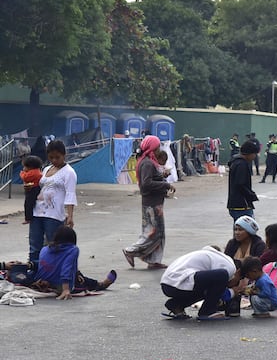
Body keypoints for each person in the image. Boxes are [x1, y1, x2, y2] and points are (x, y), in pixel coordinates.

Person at [123, 136, 175, 270]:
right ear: (152, 148)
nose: (159, 150)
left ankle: (154, 260)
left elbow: (151, 179)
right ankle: (131, 251)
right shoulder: (147, 163)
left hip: (154, 202)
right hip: (152, 204)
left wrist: (162, 178)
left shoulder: (148, 162)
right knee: (153, 233)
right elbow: (146, 184)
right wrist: (165, 185)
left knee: (158, 233)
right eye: (157, 147)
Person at [25, 226, 116, 300]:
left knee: (80, 276)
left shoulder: (45, 249)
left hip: (41, 281)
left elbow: (45, 264)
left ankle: (100, 283)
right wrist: (66, 289)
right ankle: (101, 285)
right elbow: (66, 268)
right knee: (84, 283)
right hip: (59, 285)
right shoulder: (73, 250)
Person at [160, 245, 247, 320]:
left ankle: (176, 305)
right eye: (238, 281)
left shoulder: (216, 257)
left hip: (168, 284)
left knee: (209, 288)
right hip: (179, 281)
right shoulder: (231, 267)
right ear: (238, 272)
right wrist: (233, 292)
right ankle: (208, 312)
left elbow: (214, 290)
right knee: (223, 274)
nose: (233, 284)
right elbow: (220, 289)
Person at [29, 140, 78, 266]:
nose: (54, 160)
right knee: (35, 244)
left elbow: (70, 194)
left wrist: (70, 216)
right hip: (37, 212)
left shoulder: (69, 172)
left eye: (57, 157)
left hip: (54, 215)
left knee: (53, 244)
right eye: (51, 157)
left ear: (64, 155)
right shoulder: (45, 169)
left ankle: (52, 270)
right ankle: (34, 269)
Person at [226, 140, 259, 221]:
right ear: (249, 153)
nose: (255, 156)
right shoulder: (241, 164)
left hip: (235, 204)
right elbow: (240, 184)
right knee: (246, 230)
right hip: (241, 205)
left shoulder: (236, 162)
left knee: (239, 230)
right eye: (254, 154)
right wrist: (251, 195)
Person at [21, 155, 43, 225]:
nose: (24, 168)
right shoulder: (37, 171)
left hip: (33, 189)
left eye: (25, 167)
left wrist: (22, 173)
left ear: (30, 167)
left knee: (28, 204)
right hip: (34, 188)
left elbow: (25, 178)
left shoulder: (33, 172)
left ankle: (28, 218)